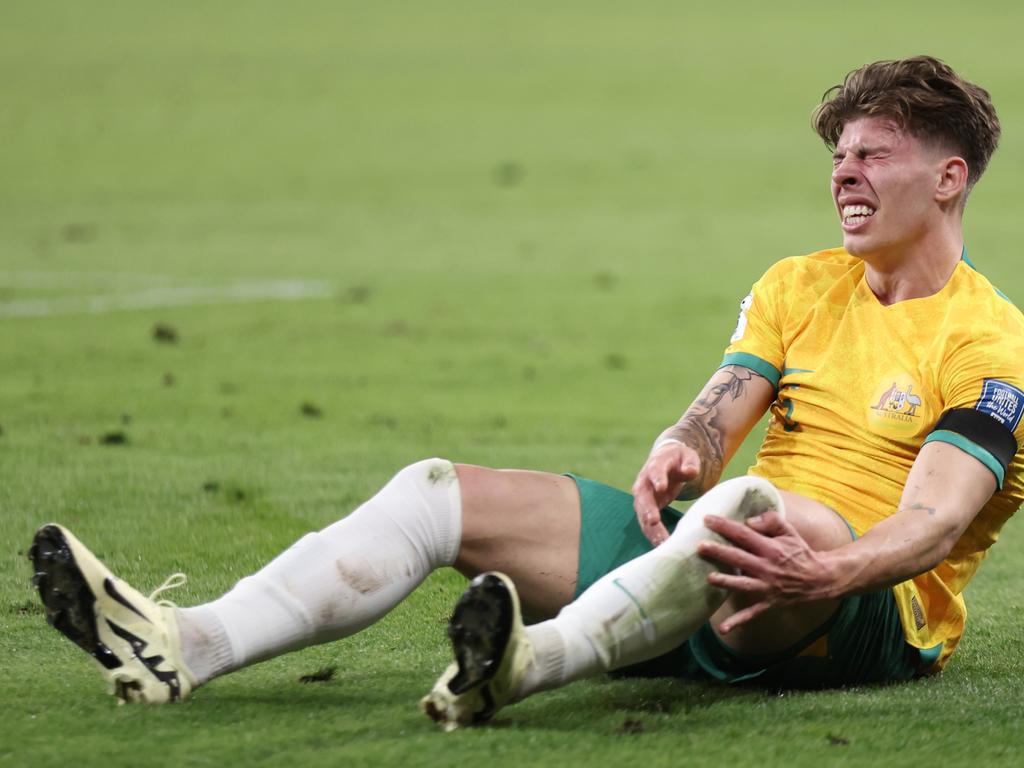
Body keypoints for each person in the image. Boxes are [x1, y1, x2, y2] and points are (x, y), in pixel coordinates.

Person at [31, 56, 1024, 729]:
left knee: (747, 512)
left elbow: (933, 523)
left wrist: (824, 577)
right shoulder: (798, 284)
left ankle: (531, 661)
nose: (843, 174)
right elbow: (717, 413)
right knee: (434, 492)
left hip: (855, 610)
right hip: (706, 565)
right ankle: (185, 643)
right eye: (837, 155)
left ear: (947, 178)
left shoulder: (991, 343)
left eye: (872, 154)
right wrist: (683, 445)